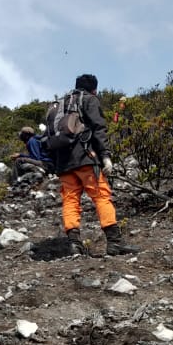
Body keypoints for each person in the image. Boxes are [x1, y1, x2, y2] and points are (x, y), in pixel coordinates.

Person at [43, 74, 138, 256]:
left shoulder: (60, 104)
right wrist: (105, 156)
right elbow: (98, 128)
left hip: (63, 163)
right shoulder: (88, 99)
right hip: (85, 158)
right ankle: (114, 242)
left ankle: (74, 244)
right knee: (101, 195)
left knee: (70, 200)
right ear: (94, 89)